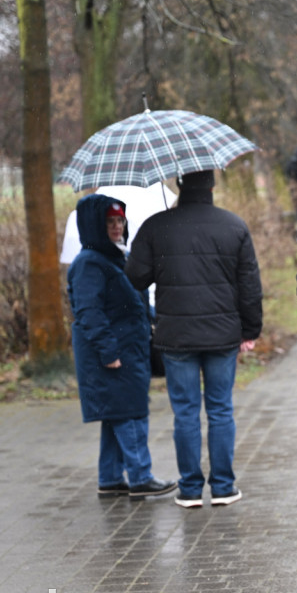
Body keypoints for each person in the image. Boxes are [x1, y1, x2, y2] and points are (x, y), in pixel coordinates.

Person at [125, 170, 263, 508]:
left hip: (176, 337)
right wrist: (251, 330)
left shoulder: (157, 226)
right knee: (220, 410)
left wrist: (154, 250)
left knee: (185, 413)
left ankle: (189, 490)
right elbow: (250, 287)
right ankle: (223, 487)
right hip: (222, 335)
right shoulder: (234, 225)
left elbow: (136, 277)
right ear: (213, 187)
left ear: (179, 185)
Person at [67, 194, 177, 501]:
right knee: (130, 414)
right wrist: (109, 352)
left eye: (120, 220)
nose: (117, 227)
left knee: (118, 413)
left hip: (128, 350)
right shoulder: (90, 263)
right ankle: (141, 477)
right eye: (109, 222)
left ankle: (111, 478)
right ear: (94, 226)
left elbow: (134, 302)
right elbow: (88, 312)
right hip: (114, 355)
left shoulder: (115, 257)